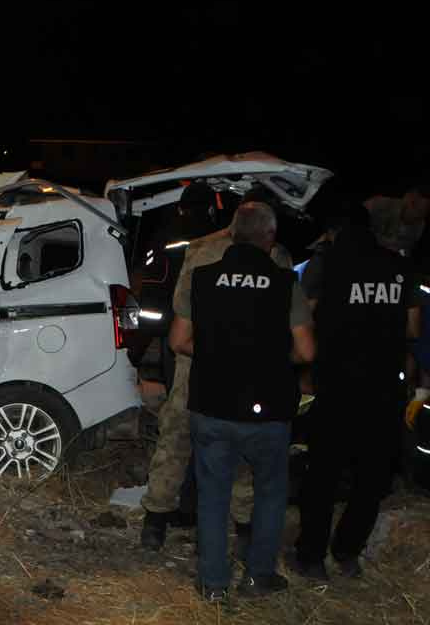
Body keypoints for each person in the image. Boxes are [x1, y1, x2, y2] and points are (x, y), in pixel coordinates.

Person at [171, 202, 316, 600]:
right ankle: (258, 577)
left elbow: (179, 341)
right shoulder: (286, 282)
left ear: (231, 235)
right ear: (269, 238)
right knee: (270, 494)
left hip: (212, 404)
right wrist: (270, 357)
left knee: (213, 495)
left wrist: (221, 353)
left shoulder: (202, 277)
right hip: (269, 410)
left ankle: (213, 585)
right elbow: (306, 351)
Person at [140, 188, 293, 552]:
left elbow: (180, 320)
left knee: (176, 438)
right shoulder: (276, 255)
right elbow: (284, 320)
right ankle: (243, 526)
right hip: (244, 368)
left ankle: (155, 521)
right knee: (243, 446)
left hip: (194, 359)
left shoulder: (200, 250)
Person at [291, 204, 421, 580]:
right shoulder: (399, 267)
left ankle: (311, 556)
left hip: (336, 384)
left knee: (323, 474)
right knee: (372, 476)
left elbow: (306, 315)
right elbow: (413, 329)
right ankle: (348, 552)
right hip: (383, 387)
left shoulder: (325, 265)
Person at [137, 183, 219, 391]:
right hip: (210, 324)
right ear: (210, 208)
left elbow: (152, 281)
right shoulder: (219, 236)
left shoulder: (164, 235)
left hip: (173, 323)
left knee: (176, 386)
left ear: (181, 207)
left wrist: (149, 330)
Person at [365, 185, 428, 257]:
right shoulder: (381, 204)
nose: (416, 215)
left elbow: (406, 251)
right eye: (414, 204)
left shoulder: (420, 228)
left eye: (421, 212)